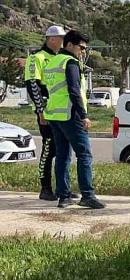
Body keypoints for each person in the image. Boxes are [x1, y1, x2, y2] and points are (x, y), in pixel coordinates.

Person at [43, 30, 104, 209]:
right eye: (81, 47)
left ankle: (64, 196)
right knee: (84, 154)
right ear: (70, 45)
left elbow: (48, 89)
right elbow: (74, 90)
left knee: (62, 156)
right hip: (71, 115)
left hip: (54, 115)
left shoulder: (52, 61)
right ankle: (87, 195)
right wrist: (83, 115)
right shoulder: (70, 62)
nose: (83, 51)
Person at [24, 25, 76, 201]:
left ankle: (64, 188)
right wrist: (40, 110)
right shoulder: (36, 58)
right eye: (61, 38)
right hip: (46, 111)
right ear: (51, 39)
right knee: (49, 149)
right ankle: (45, 187)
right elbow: (33, 85)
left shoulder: (60, 58)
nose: (63, 42)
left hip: (62, 111)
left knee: (64, 151)